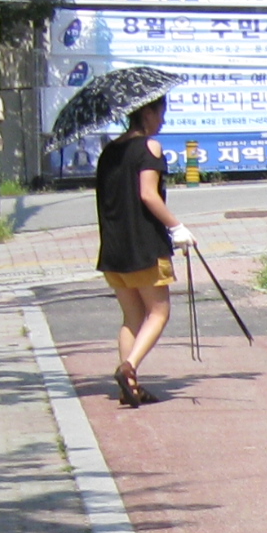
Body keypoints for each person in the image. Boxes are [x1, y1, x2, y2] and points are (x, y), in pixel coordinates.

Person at [93, 92, 191, 408]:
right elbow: (148, 194)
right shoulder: (149, 147)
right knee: (159, 312)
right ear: (147, 112)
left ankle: (130, 388)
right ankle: (129, 368)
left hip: (113, 249)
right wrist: (177, 227)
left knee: (132, 316)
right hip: (145, 247)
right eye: (161, 112)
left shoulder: (109, 151)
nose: (163, 119)